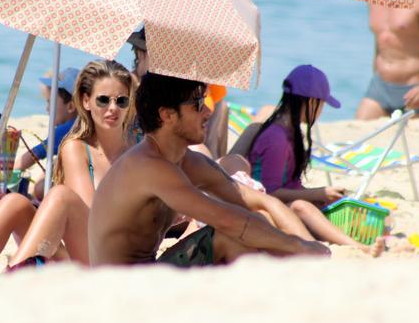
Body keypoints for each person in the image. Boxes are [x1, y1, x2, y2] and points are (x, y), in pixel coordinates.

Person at [88, 72, 330, 267]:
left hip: (152, 272)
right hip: (120, 288)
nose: (207, 111)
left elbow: (261, 202)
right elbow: (227, 220)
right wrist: (297, 247)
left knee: (260, 221)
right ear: (167, 115)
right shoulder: (149, 166)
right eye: (197, 104)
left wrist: (307, 245)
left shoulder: (185, 160)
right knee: (230, 237)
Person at [0, 60, 135, 269]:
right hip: (77, 256)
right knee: (15, 202)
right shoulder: (77, 148)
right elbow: (87, 220)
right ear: (86, 102)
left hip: (110, 261)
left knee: (60, 196)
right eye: (103, 100)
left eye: (121, 101)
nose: (113, 108)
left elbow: (95, 222)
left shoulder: (138, 154)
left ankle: (12, 277)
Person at [247, 65, 384, 256]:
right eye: (322, 105)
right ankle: (359, 247)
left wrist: (320, 195)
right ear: (312, 102)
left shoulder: (290, 132)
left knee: (337, 207)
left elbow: (289, 185)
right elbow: (270, 192)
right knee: (302, 207)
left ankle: (359, 240)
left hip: (280, 203)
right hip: (264, 207)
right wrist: (319, 192)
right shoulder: (277, 138)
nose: (321, 111)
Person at [127, 28, 228, 158]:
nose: (169, 62)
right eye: (161, 54)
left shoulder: (184, 89)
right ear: (141, 54)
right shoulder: (125, 88)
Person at [356, 0, 419, 119]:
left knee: (412, 139)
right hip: (379, 87)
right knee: (359, 135)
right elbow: (382, 40)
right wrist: (375, 74)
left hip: (415, 90)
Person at [13, 67, 80, 188]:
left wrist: (7, 174)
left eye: (51, 102)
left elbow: (28, 158)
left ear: (70, 106)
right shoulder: (83, 126)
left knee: (39, 187)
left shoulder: (66, 130)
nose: (47, 109)